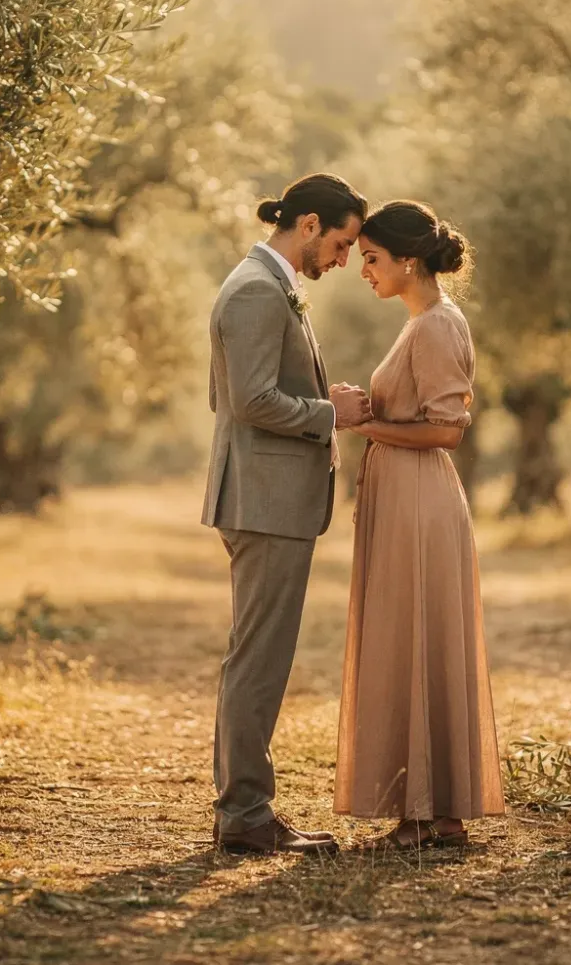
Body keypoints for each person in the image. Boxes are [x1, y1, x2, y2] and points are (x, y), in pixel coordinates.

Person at [202, 172, 371, 857]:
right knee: (259, 660)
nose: (343, 259)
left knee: (257, 655)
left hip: (267, 498)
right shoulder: (255, 289)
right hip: (264, 501)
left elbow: (250, 393)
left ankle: (243, 809)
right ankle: (245, 814)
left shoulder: (269, 285)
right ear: (308, 225)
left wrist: (321, 402)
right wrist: (332, 414)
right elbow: (248, 401)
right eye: (341, 243)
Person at [335, 200, 505, 851]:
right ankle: (433, 811)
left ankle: (426, 811)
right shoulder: (422, 322)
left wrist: (364, 425)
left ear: (408, 260)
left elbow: (447, 430)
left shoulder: (435, 325)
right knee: (413, 638)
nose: (364, 270)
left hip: (419, 499)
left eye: (372, 258)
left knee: (416, 637)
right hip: (406, 495)